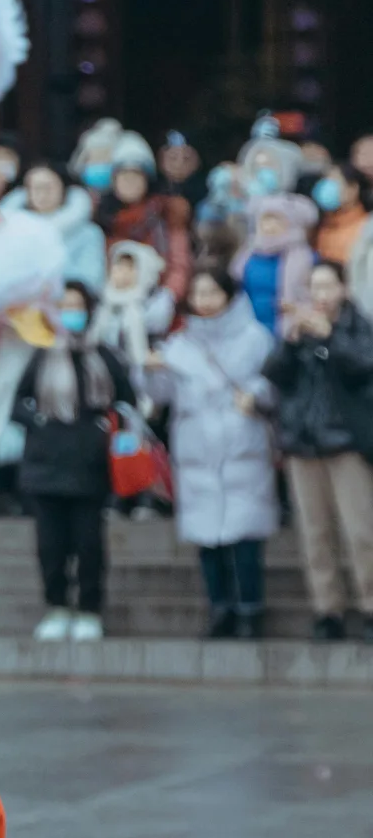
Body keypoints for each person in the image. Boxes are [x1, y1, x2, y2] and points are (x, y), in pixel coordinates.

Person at [143, 266, 279, 638]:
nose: (204, 301)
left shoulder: (254, 338)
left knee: (245, 535)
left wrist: (255, 397)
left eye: (211, 292)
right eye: (198, 293)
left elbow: (274, 382)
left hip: (241, 443)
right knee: (208, 538)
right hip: (196, 448)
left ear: (229, 296)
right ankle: (219, 608)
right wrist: (151, 370)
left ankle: (250, 610)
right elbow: (159, 396)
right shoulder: (180, 344)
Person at [13, 281, 136, 641]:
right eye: (64, 305)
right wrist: (37, 420)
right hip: (44, 465)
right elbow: (16, 402)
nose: (71, 312)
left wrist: (104, 429)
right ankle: (57, 605)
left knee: (88, 544)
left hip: (91, 468)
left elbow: (127, 401)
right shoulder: (40, 353)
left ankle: (89, 608)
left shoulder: (104, 355)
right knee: (50, 546)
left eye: (77, 305)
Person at [264, 261, 373, 640]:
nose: (321, 296)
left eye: (328, 286)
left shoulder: (358, 327)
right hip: (303, 442)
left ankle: (370, 603)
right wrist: (292, 344)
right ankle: (328, 609)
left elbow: (363, 367)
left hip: (346, 441)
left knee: (361, 531)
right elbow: (274, 374)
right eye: (314, 287)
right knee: (315, 533)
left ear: (344, 288)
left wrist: (329, 338)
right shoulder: (301, 330)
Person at [101, 132, 193, 300]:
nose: (129, 182)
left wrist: (168, 296)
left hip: (158, 300)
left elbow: (179, 263)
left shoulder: (166, 213)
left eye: (136, 175)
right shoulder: (103, 219)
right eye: (123, 175)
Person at [89, 242, 174, 391]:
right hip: (104, 372)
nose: (123, 273)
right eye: (119, 266)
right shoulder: (102, 301)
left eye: (131, 267)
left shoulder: (154, 303)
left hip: (141, 375)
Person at [8, 163, 104, 290]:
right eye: (36, 188)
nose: (42, 194)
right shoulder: (12, 232)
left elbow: (91, 278)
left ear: (63, 189)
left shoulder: (88, 233)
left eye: (48, 188)